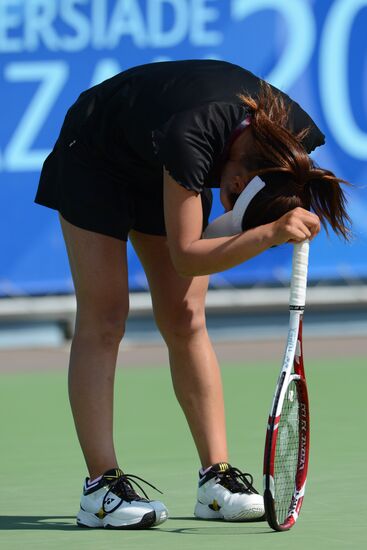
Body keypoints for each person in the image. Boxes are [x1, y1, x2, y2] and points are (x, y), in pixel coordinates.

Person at [35, 59, 350, 530]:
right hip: (96, 153)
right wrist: (268, 235)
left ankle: (215, 480)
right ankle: (100, 488)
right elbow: (187, 255)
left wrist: (281, 218)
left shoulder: (292, 138)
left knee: (185, 315)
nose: (225, 199)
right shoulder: (193, 137)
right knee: (106, 316)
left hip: (158, 155)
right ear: (239, 178)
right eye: (231, 194)